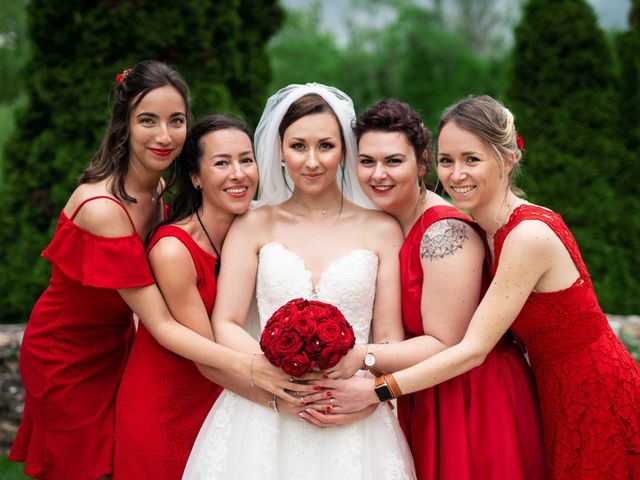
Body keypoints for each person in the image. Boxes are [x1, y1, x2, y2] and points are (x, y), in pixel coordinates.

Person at [320, 95, 640, 479]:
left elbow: (471, 349)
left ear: (508, 159)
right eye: (447, 160)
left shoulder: (527, 236)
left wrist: (377, 388)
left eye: (471, 159)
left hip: (594, 388)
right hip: (552, 389)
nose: (456, 174)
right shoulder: (487, 229)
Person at [8, 62, 299, 480]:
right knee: (83, 467)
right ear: (124, 124)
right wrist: (254, 367)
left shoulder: (158, 189)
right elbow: (161, 323)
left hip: (117, 342)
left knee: (118, 452)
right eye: (148, 120)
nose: (165, 135)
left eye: (176, 120)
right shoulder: (103, 209)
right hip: (68, 350)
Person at [183, 83, 416, 480]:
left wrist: (369, 393)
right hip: (263, 410)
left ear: (344, 150)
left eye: (325, 146)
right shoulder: (253, 223)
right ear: (279, 150)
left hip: (349, 412)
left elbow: (391, 337)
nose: (312, 161)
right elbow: (226, 322)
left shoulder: (382, 230)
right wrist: (270, 372)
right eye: (298, 146)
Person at [349, 98, 542, 479]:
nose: (378, 174)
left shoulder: (443, 231)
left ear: (422, 163)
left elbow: (446, 342)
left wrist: (358, 358)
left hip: (472, 397)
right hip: (425, 389)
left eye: (393, 161)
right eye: (367, 161)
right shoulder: (385, 225)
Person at [114, 114, 273, 479]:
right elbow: (206, 357)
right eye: (221, 163)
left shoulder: (260, 225)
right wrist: (280, 401)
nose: (238, 174)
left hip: (230, 399)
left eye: (246, 160)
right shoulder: (174, 250)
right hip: (169, 406)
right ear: (196, 177)